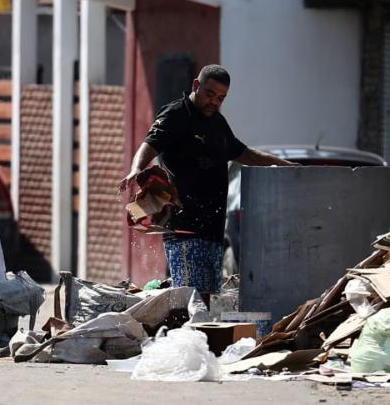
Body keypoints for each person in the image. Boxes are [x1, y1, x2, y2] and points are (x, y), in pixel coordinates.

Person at [119, 64, 295, 306]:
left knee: (209, 304)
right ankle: (184, 343)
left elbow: (242, 152)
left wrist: (283, 164)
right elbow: (150, 143)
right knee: (192, 303)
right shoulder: (176, 114)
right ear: (195, 86)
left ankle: (203, 344)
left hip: (212, 231)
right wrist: (136, 169)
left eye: (221, 98)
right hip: (184, 230)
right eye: (210, 94)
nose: (214, 102)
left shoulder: (218, 124)